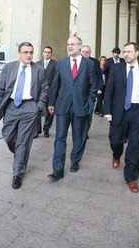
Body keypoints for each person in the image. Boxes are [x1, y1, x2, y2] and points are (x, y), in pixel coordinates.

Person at [0, 42, 48, 190]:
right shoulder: (9, 68)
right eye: (25, 52)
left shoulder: (39, 70)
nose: (29, 55)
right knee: (8, 136)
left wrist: (38, 107)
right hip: (11, 106)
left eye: (31, 52)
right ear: (19, 53)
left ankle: (18, 173)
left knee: (23, 141)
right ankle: (21, 155)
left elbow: (44, 90)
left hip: (30, 107)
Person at [104, 42, 139, 193]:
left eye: (129, 51)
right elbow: (108, 91)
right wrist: (107, 111)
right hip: (119, 111)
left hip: (138, 111)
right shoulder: (116, 69)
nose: (126, 54)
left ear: (137, 53)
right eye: (124, 52)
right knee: (115, 140)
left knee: (134, 146)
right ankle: (116, 154)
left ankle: (131, 177)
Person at [47, 36, 97, 181]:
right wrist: (51, 102)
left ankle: (75, 160)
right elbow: (55, 84)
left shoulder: (89, 64)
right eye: (68, 44)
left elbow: (93, 85)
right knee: (59, 138)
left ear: (80, 47)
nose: (70, 46)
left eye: (73, 44)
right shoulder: (61, 63)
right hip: (63, 106)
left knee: (79, 137)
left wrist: (90, 103)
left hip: (81, 106)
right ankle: (58, 170)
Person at [35, 46, 57, 138]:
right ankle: (37, 130)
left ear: (51, 53)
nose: (47, 53)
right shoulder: (37, 63)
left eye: (49, 52)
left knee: (50, 112)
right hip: (39, 92)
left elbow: (56, 78)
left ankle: (46, 129)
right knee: (37, 111)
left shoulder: (56, 64)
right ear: (43, 53)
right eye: (45, 52)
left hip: (50, 91)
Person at [80, 45, 102, 133]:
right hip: (79, 92)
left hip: (91, 92)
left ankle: (85, 131)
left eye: (87, 52)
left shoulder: (95, 62)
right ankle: (79, 130)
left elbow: (99, 76)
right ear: (81, 52)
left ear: (90, 53)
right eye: (83, 52)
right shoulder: (76, 61)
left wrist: (99, 88)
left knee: (89, 113)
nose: (85, 53)